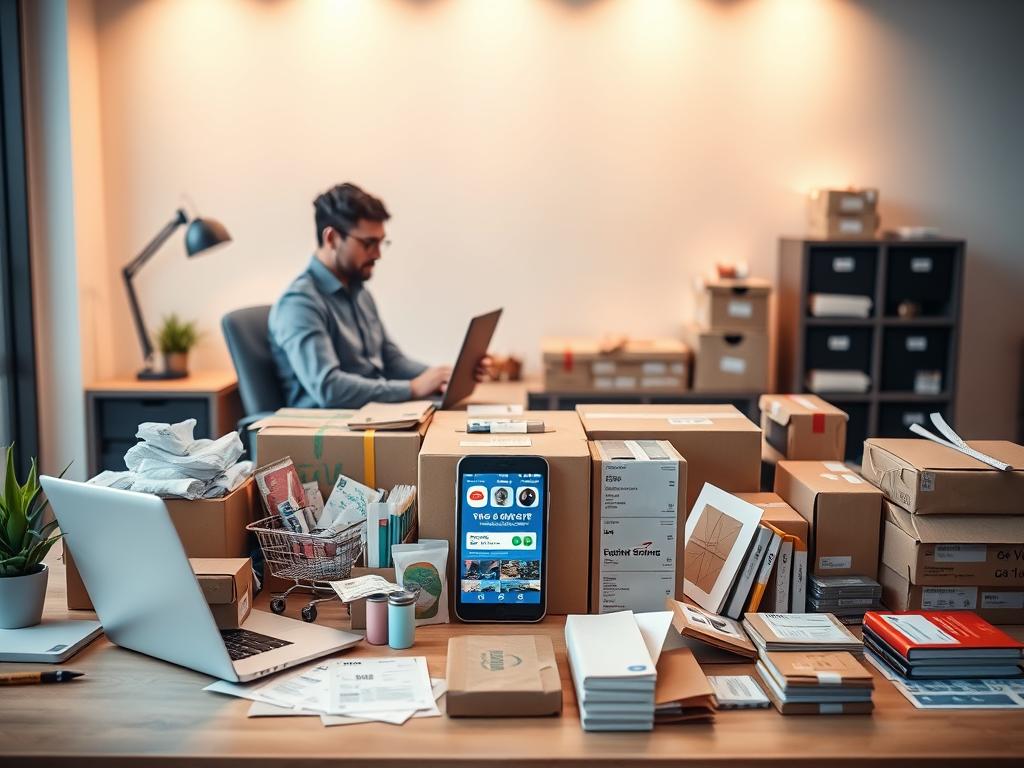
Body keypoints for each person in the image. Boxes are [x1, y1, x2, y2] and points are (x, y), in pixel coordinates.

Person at [269, 182, 487, 408]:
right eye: (369, 243)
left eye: (381, 242)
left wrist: (443, 378)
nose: (378, 254)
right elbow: (329, 389)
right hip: (330, 428)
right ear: (332, 238)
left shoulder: (360, 293)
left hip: (371, 416)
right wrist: (412, 389)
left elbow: (391, 361)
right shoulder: (299, 304)